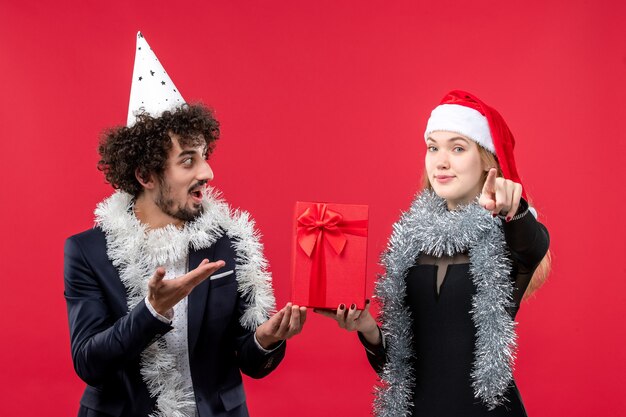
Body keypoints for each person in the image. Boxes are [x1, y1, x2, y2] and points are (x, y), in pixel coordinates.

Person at [64, 32, 306, 417]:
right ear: (145, 175)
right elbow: (89, 364)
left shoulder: (231, 242)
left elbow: (252, 361)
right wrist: (152, 309)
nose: (208, 172)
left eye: (205, 156)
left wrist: (263, 340)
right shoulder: (87, 252)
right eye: (188, 160)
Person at [317, 90, 550, 416]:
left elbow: (534, 247)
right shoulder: (410, 241)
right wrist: (368, 328)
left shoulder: (506, 235)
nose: (441, 161)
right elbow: (402, 369)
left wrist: (515, 209)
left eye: (457, 148)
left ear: (486, 161)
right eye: (432, 147)